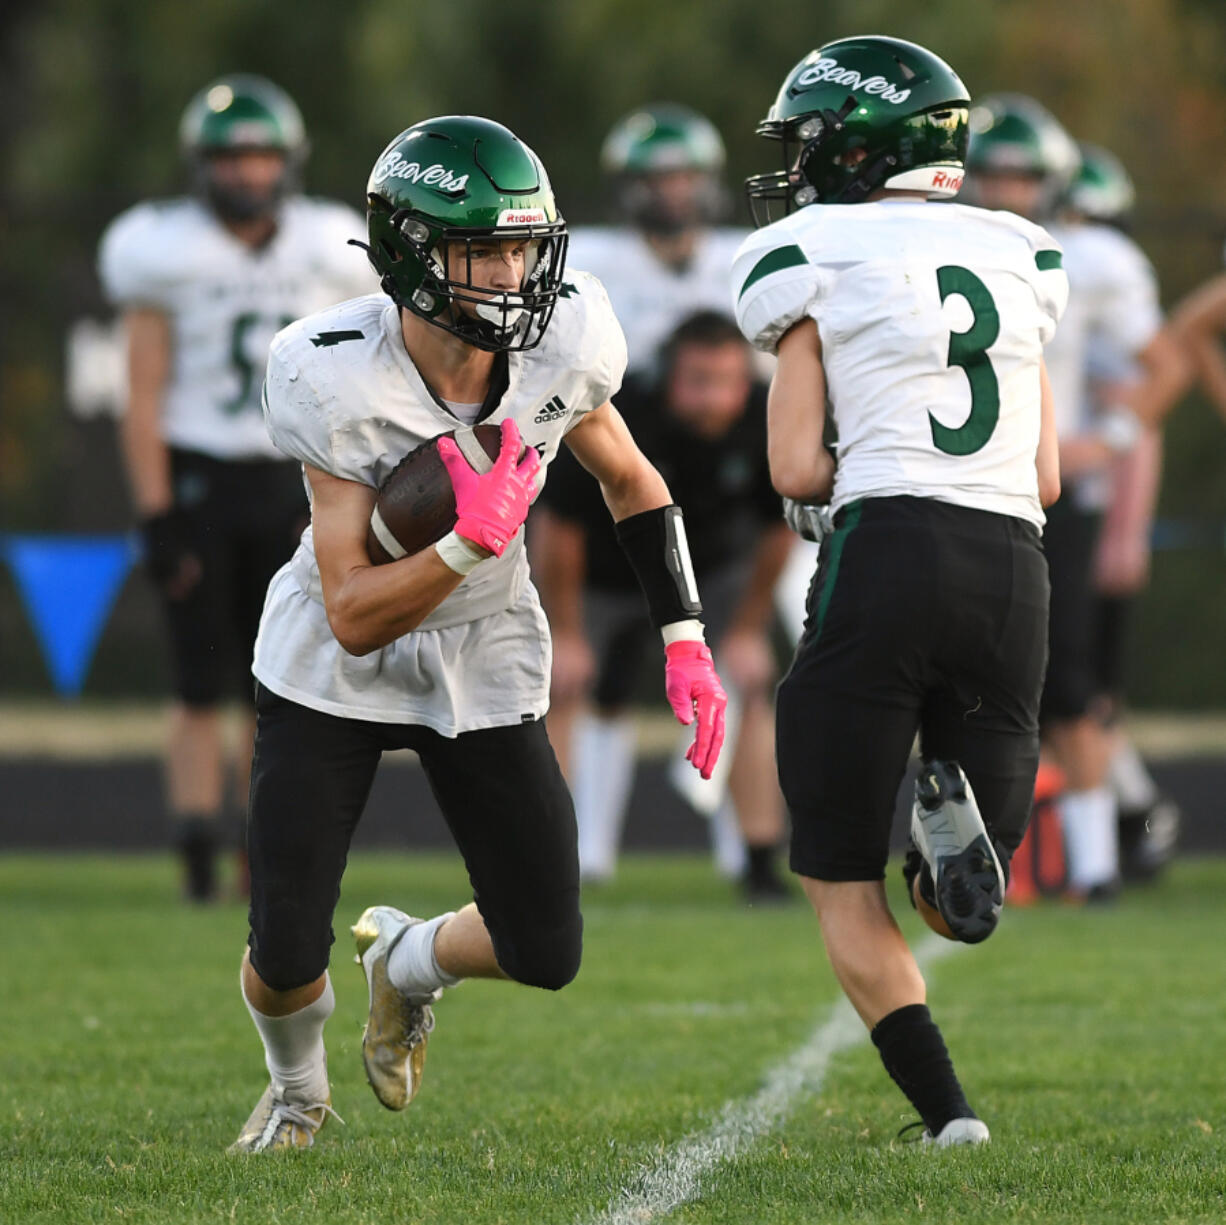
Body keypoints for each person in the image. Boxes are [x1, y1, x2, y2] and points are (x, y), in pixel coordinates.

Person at [229, 115, 727, 1153]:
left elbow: (630, 479)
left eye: (523, 248)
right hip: (333, 661)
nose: (511, 275)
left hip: (484, 642)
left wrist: (684, 635)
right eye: (480, 251)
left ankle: (406, 962)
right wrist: (467, 540)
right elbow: (353, 614)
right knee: (281, 944)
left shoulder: (565, 340)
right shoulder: (329, 373)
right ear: (411, 254)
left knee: (545, 944)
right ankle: (293, 1092)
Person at [734, 35, 1065, 1145]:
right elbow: (1049, 474)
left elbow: (790, 470)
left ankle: (948, 1118)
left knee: (834, 868)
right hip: (1011, 566)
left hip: (885, 546)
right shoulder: (1023, 251)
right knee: (954, 895)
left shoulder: (811, 246)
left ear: (853, 146)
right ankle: (952, 818)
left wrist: (831, 483)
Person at [98, 74, 374, 901]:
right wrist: (156, 512)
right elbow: (141, 395)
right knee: (196, 681)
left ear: (286, 162)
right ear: (202, 164)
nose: (248, 173)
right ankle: (194, 851)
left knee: (287, 679)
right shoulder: (161, 250)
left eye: (261, 156)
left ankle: (272, 847)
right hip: (200, 476)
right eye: (232, 157)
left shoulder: (330, 243)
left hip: (299, 475)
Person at [964, 97, 1186, 898]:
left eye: (1021, 177)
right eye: (990, 174)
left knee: (1069, 681)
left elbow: (1164, 363)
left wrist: (1111, 442)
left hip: (1051, 492)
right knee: (963, 673)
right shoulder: (926, 242)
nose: (1004, 190)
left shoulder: (1091, 258)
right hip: (956, 486)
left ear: (1053, 184)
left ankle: (1095, 868)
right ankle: (981, 855)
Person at [533, 310, 791, 900]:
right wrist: (566, 632)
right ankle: (548, 858)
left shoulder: (763, 415)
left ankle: (757, 860)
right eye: (698, 380)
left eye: (726, 381)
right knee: (557, 683)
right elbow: (561, 528)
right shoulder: (622, 410)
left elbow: (778, 530)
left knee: (753, 683)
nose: (714, 398)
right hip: (606, 575)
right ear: (669, 376)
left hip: (710, 577)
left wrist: (748, 628)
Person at [1068, 145, 1186, 881]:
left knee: (1083, 690)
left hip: (1081, 510)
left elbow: (1136, 418)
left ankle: (1136, 817)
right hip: (1059, 507)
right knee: (1076, 688)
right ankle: (1128, 816)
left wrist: (1125, 530)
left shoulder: (1098, 284)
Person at [568, 103, 748, 381]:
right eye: (659, 180)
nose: (675, 192)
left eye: (687, 178)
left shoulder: (746, 257)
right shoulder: (584, 262)